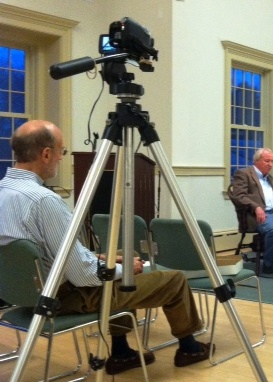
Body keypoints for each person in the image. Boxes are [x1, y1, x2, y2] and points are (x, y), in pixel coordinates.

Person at [0, 120, 213, 375]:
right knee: (174, 280)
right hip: (64, 295)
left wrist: (107, 259)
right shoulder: (44, 201)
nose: (60, 157)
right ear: (46, 154)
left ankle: (122, 351)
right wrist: (124, 271)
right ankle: (189, 348)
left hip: (22, 291)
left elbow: (39, 253)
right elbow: (82, 275)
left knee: (126, 255)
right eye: (61, 151)